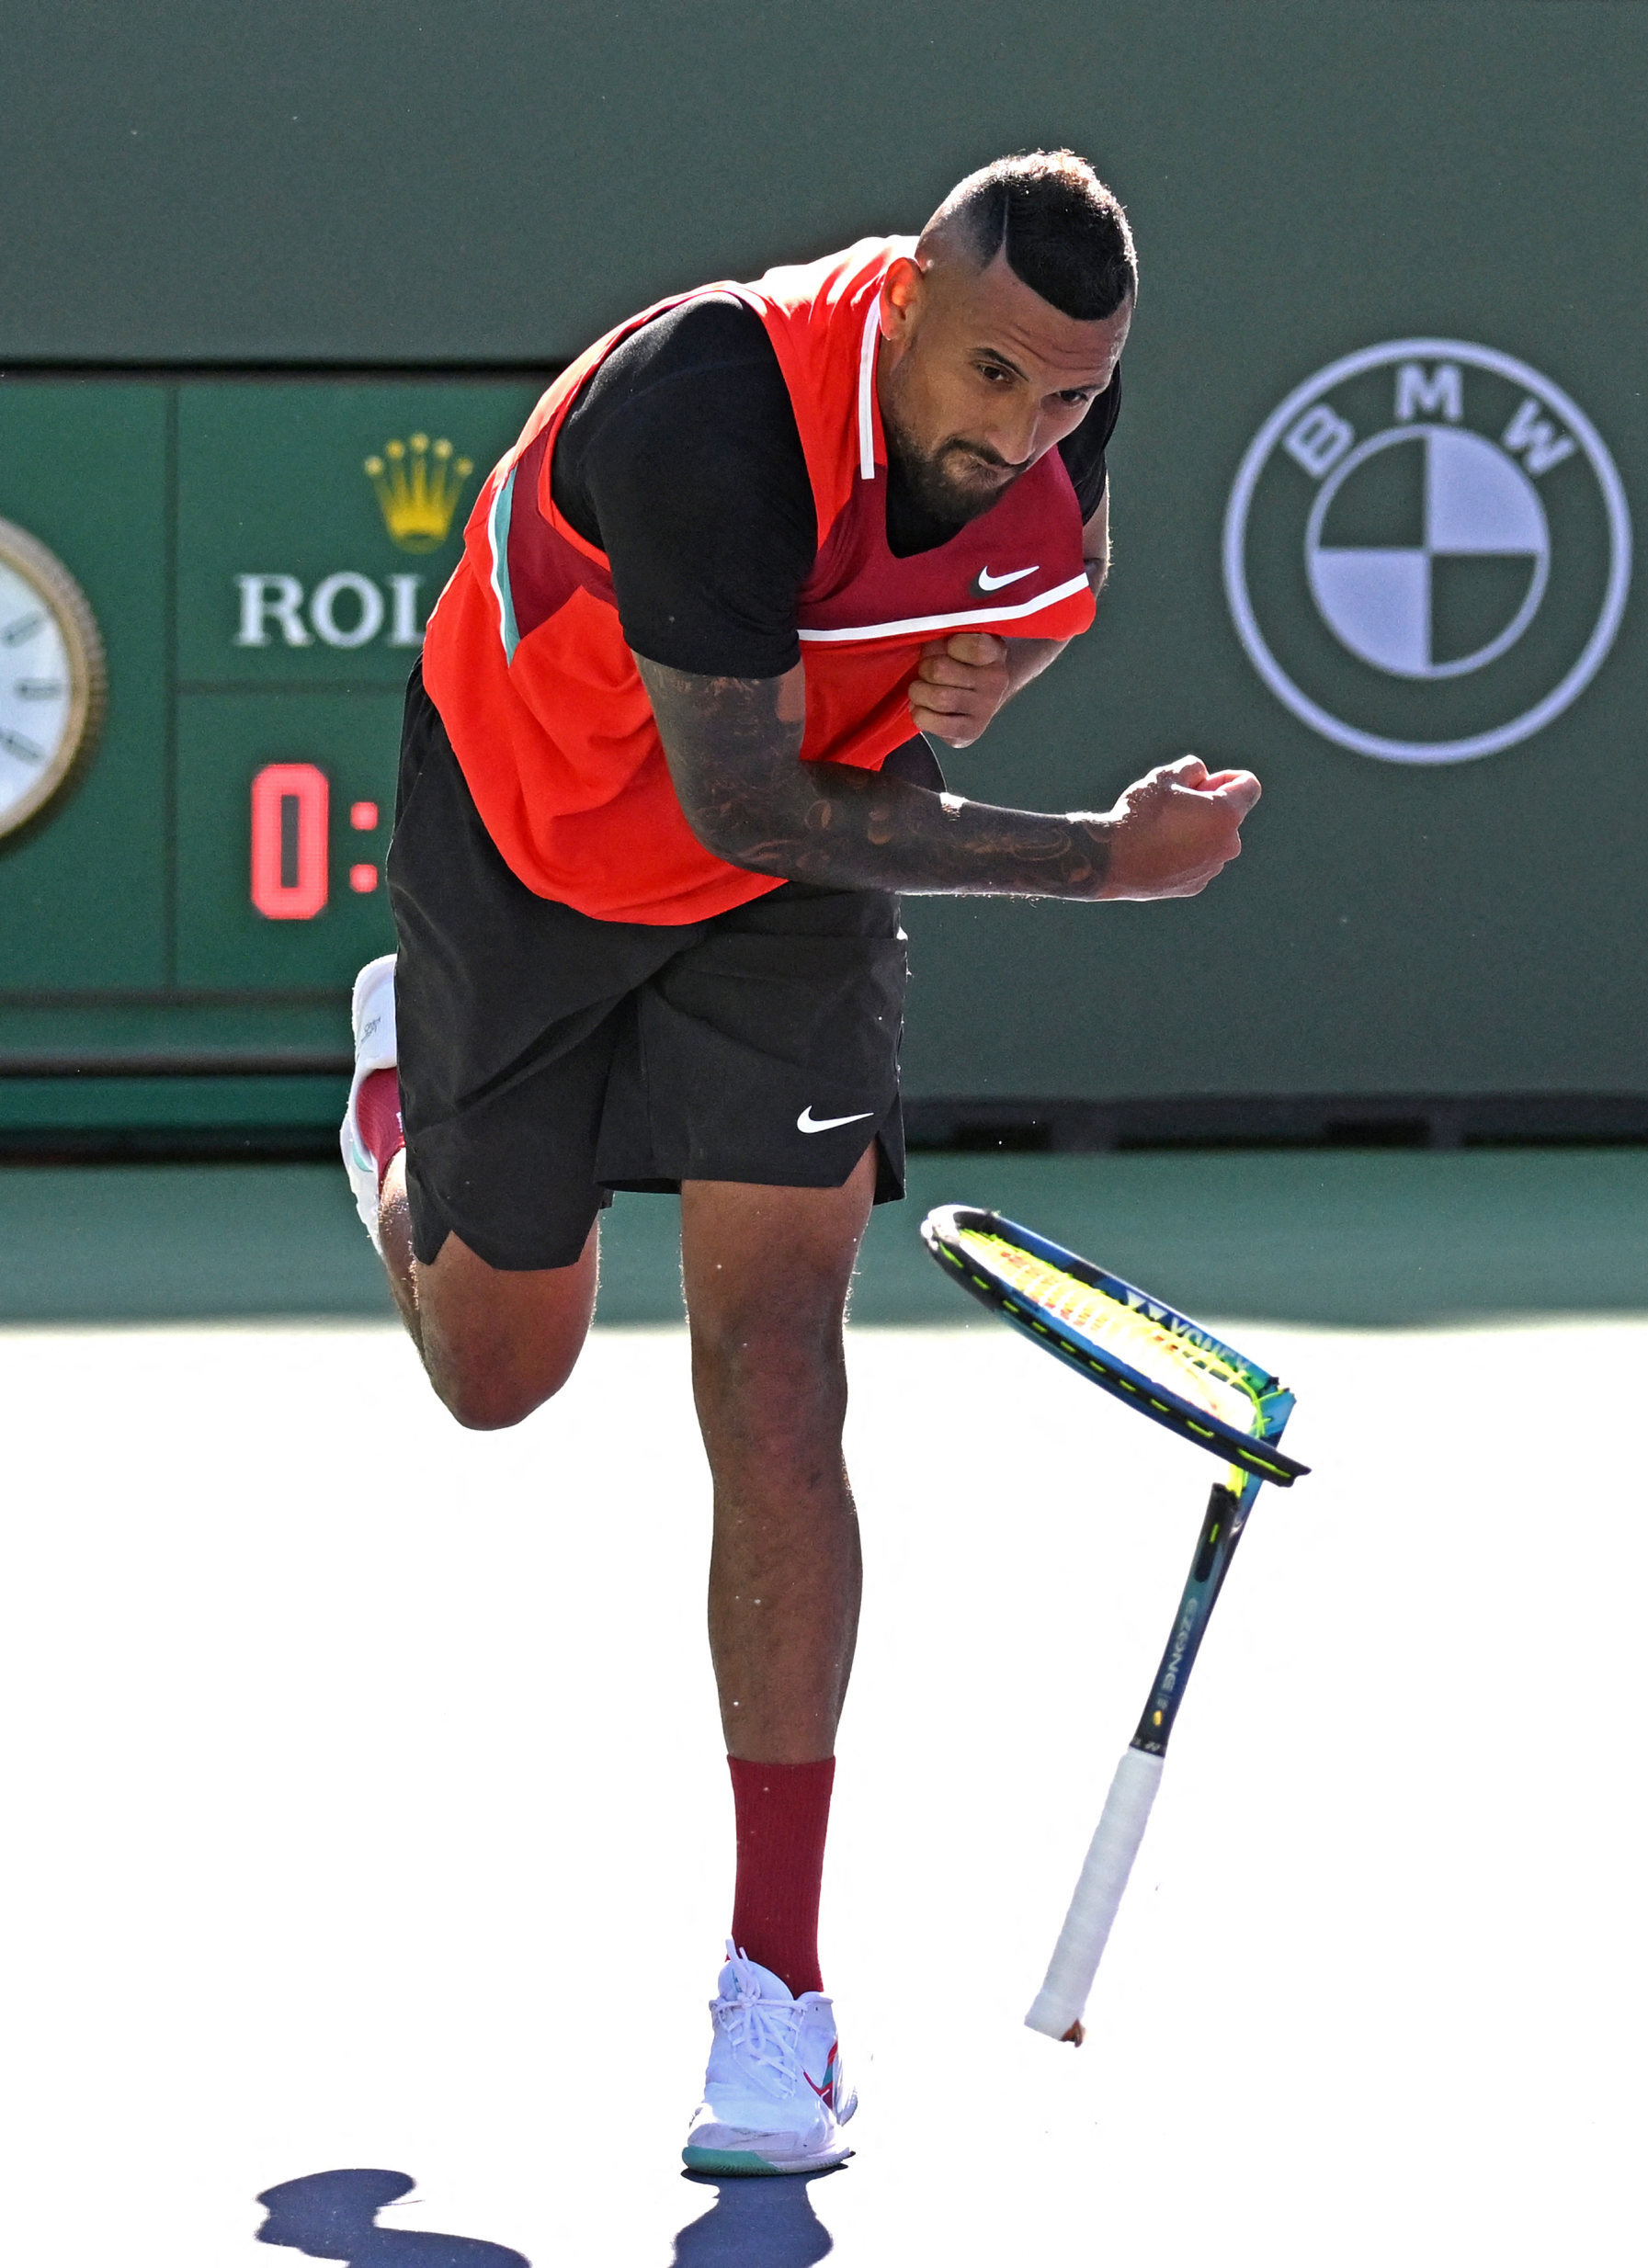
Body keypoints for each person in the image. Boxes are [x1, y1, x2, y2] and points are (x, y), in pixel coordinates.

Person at [337, 149, 1261, 2176]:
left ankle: (779, 1998)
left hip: (788, 896)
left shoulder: (1051, 431)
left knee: (777, 1384)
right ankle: (399, 1111)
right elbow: (742, 798)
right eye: (997, 373)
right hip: (539, 847)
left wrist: (985, 670)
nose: (1026, 424)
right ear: (909, 293)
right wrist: (1100, 860)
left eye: (1072, 394)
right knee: (499, 1375)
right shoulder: (711, 405)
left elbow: (1013, 607)